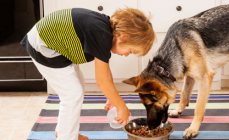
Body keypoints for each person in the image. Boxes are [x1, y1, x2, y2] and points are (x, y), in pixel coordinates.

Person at [20, 8, 155, 140]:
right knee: (72, 94)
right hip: (44, 47)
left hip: (57, 46)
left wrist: (112, 96)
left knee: (76, 89)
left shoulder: (104, 30)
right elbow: (102, 80)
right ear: (123, 37)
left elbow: (105, 72)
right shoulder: (101, 34)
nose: (126, 55)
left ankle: (64, 132)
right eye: (130, 51)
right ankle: (66, 137)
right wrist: (121, 106)